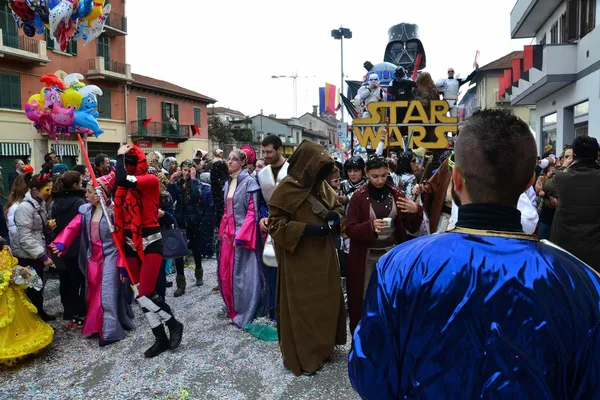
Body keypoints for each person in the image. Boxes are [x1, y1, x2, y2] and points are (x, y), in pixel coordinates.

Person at [348, 109, 600, 398]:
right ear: (530, 181)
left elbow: (370, 375)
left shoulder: (400, 268)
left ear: (456, 178)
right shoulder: (580, 282)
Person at [268, 140, 346, 376]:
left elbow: (338, 209)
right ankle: (305, 355)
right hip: (299, 260)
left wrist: (335, 218)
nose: (321, 174)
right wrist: (307, 230)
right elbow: (275, 225)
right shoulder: (286, 189)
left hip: (324, 256)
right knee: (303, 308)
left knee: (326, 301)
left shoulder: (322, 188)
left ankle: (323, 348)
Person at [113, 145, 183, 358]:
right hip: (128, 240)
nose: (127, 166)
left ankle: (174, 323)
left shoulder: (150, 181)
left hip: (150, 240)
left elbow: (123, 179)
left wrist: (119, 156)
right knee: (139, 294)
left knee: (145, 292)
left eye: (131, 162)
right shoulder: (121, 189)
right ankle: (160, 337)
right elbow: (117, 184)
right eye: (126, 163)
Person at [51, 173, 135, 346]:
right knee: (92, 295)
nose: (86, 195)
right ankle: (97, 325)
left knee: (107, 295)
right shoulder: (86, 210)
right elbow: (73, 227)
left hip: (111, 257)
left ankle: (111, 331)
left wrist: (123, 265)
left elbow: (124, 243)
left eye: (89, 192)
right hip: (92, 258)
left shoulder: (114, 213)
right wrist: (61, 243)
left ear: (100, 194)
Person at [345, 155, 423, 335]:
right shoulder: (358, 197)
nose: (379, 180)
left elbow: (412, 226)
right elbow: (349, 229)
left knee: (393, 296)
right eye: (375, 176)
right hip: (367, 256)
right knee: (364, 298)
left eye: (383, 175)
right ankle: (364, 337)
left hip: (393, 254)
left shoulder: (396, 193)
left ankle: (389, 336)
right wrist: (369, 227)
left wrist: (416, 210)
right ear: (366, 174)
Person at [218, 149, 267, 328]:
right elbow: (226, 211)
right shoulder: (228, 183)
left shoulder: (250, 183)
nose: (229, 162)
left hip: (242, 236)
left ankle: (247, 309)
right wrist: (223, 231)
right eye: (228, 159)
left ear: (242, 163)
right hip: (228, 236)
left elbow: (252, 213)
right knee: (226, 273)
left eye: (233, 159)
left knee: (245, 274)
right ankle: (232, 306)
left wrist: (242, 235)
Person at [547, 136, 600, 272]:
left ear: (574, 154)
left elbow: (546, 186)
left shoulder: (561, 177)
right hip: (595, 252)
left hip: (564, 251)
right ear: (597, 154)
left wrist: (562, 166)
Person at [11, 172, 56, 321]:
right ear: (35, 190)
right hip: (25, 258)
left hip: (33, 255)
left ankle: (39, 316)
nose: (49, 193)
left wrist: (49, 227)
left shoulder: (39, 204)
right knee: (30, 290)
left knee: (38, 288)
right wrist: (42, 255)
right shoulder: (25, 208)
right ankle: (34, 321)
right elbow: (25, 238)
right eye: (46, 190)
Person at [0, 246, 54, 366]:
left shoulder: (5, 250)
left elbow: (14, 268)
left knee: (17, 319)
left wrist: (20, 274)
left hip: (13, 294)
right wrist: (8, 275)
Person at [257, 135, 289, 319]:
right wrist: (262, 218)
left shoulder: (293, 170)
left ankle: (288, 310)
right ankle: (274, 311)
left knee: (289, 270)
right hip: (271, 227)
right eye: (264, 152)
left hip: (290, 225)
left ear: (279, 149)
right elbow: (261, 203)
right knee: (270, 267)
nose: (266, 155)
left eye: (269, 151)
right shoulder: (262, 174)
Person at [168, 160, 210, 295]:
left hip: (194, 220)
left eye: (189, 170)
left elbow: (197, 196)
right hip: (180, 220)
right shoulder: (177, 184)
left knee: (196, 247)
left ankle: (199, 273)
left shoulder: (197, 183)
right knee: (179, 251)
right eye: (184, 170)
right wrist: (170, 182)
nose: (186, 172)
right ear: (181, 170)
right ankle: (181, 284)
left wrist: (192, 180)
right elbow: (170, 199)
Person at [50, 171, 87, 324]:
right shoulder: (79, 202)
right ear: (75, 185)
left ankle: (68, 309)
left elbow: (54, 223)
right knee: (77, 280)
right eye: (81, 181)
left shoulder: (56, 202)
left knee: (65, 279)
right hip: (77, 246)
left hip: (61, 246)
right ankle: (78, 310)